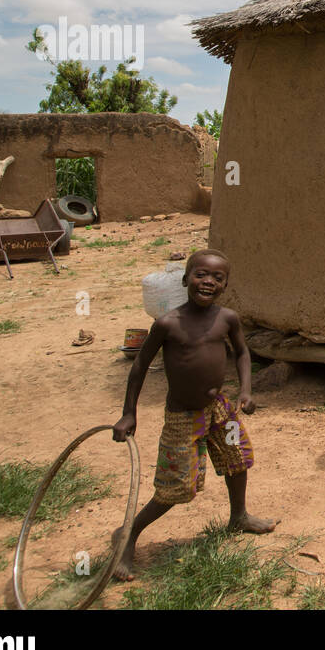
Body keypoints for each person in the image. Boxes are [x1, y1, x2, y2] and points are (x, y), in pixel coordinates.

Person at [110, 248, 276, 579]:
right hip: (182, 418)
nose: (208, 282)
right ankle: (128, 535)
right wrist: (129, 413)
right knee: (176, 487)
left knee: (237, 458)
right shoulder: (167, 324)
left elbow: (242, 353)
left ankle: (239, 516)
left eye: (217, 277)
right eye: (201, 274)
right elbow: (139, 367)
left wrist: (246, 390)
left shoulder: (227, 318)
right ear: (186, 279)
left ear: (225, 284)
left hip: (219, 410)